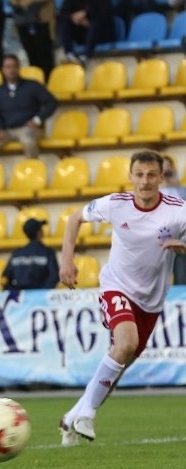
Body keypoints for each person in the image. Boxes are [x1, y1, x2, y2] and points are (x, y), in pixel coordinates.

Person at [58, 150, 186, 446]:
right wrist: (67, 260)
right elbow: (75, 219)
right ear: (130, 177)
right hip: (116, 286)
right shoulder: (115, 204)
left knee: (117, 367)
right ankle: (87, 415)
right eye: (139, 175)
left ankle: (70, 417)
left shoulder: (178, 210)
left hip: (151, 300)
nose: (145, 181)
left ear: (161, 177)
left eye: (151, 175)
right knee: (125, 344)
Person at [0, 54, 57, 162]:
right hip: (7, 130)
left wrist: (37, 120)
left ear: (19, 68)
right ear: (3, 70)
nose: (11, 70)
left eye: (14, 66)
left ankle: (31, 169)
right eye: (8, 67)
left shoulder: (32, 85)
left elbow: (52, 102)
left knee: (27, 140)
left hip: (29, 128)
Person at [1, 218, 59, 290]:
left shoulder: (17, 253)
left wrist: (15, 291)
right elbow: (54, 276)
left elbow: (5, 278)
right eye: (41, 229)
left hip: (20, 295)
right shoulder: (48, 252)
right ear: (39, 232)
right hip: (41, 294)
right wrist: (43, 291)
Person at [9, 0, 56, 80]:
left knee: (45, 58)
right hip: (23, 22)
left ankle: (48, 82)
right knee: (31, 57)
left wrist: (26, 3)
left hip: (42, 21)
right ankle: (35, 82)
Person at [57, 0, 114, 66]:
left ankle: (85, 57)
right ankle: (69, 54)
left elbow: (105, 13)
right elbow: (63, 13)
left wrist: (85, 13)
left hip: (100, 35)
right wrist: (75, 18)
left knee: (96, 24)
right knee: (63, 23)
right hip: (82, 33)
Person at [159, 155, 186, 285]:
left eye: (168, 168)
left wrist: (176, 183)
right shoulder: (151, 190)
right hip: (158, 242)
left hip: (179, 240)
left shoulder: (181, 191)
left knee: (181, 279)